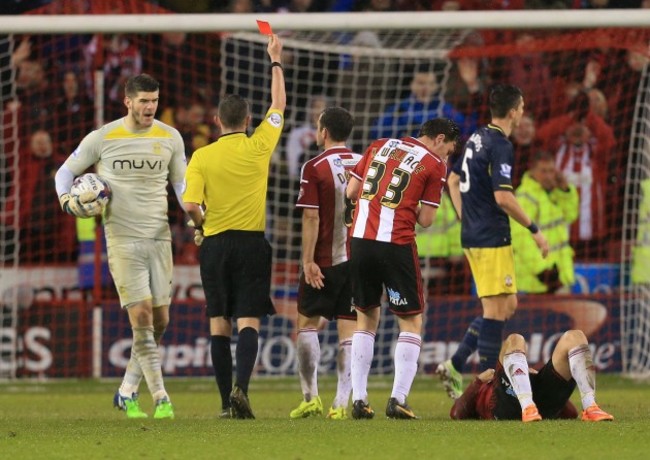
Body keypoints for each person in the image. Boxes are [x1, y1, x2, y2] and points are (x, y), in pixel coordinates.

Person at [54, 73, 187, 419]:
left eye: (155, 101)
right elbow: (63, 174)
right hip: (122, 238)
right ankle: (160, 397)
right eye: (143, 101)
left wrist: (194, 217)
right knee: (140, 316)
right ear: (127, 101)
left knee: (160, 320)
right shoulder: (104, 137)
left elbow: (181, 186)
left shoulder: (170, 137)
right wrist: (67, 201)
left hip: (159, 238)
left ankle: (127, 389)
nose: (150, 107)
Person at [182, 34, 285, 420]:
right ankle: (243, 387)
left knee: (218, 322)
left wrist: (200, 223)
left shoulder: (201, 156)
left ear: (215, 121)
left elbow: (191, 204)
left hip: (215, 244)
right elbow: (279, 104)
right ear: (246, 120)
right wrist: (275, 60)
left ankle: (227, 402)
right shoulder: (259, 144)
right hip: (251, 244)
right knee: (248, 320)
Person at [346, 117, 461, 420]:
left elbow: (351, 192)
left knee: (365, 318)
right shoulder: (435, 165)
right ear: (438, 139)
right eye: (448, 149)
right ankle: (398, 398)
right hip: (395, 244)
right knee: (411, 322)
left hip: (359, 241)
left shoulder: (379, 145)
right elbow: (426, 220)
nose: (446, 155)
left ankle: (358, 398)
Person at [438, 84, 549, 399]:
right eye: (523, 107)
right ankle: (489, 386)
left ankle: (455, 363)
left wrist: (464, 217)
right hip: (490, 235)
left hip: (475, 233)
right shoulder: (500, 144)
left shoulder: (476, 136)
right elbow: (503, 197)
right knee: (495, 310)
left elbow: (453, 179)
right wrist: (535, 229)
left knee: (507, 305)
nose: (523, 112)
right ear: (514, 111)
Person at [290, 106, 361, 420]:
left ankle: (311, 398)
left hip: (323, 261)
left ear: (324, 132)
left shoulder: (315, 166)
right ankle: (341, 403)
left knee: (306, 325)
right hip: (356, 259)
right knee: (349, 331)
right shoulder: (364, 163)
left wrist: (307, 261)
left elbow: (311, 215)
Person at [449, 330, 614, 422]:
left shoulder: (521, 374)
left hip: (540, 406)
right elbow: (456, 413)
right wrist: (477, 382)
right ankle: (527, 406)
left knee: (575, 336)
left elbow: (570, 413)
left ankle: (591, 406)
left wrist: (531, 378)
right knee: (515, 339)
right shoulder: (486, 386)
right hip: (504, 405)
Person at [511, 151, 579, 294]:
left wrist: (565, 190)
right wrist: (543, 271)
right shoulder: (525, 197)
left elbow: (571, 215)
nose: (548, 176)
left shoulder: (552, 193)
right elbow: (520, 239)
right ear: (532, 171)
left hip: (558, 274)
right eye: (543, 171)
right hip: (536, 281)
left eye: (551, 171)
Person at [370, 66, 469, 141]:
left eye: (430, 84)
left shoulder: (444, 109)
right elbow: (376, 132)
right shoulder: (400, 108)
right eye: (421, 83)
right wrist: (400, 121)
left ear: (436, 86)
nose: (425, 88)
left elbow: (466, 130)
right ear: (411, 85)